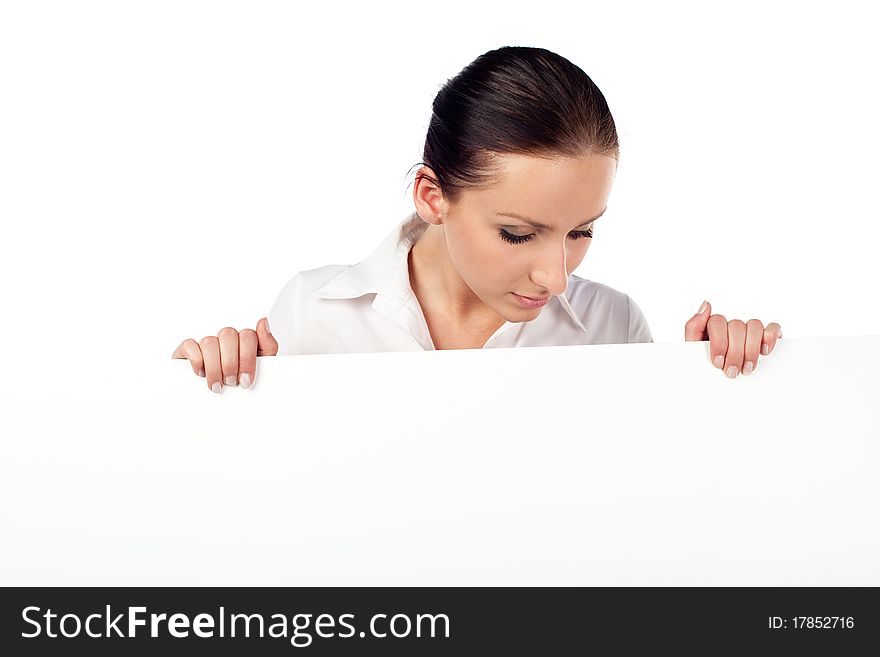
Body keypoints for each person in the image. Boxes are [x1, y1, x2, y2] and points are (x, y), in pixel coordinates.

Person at [172, 46, 782, 392]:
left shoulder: (610, 326)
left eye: (581, 231)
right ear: (432, 195)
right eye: (518, 233)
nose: (558, 277)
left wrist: (718, 388)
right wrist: (202, 394)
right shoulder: (312, 316)